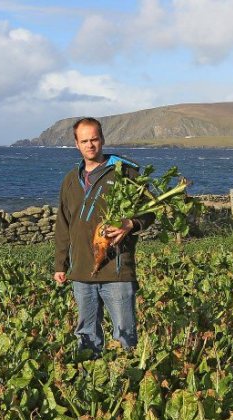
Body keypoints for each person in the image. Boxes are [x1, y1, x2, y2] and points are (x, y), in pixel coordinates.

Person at [53, 117, 154, 355]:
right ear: (76, 144)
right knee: (86, 335)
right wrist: (61, 264)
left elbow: (152, 210)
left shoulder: (125, 171)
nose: (90, 145)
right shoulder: (70, 180)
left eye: (94, 139)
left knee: (125, 335)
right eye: (84, 141)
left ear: (103, 140)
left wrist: (131, 223)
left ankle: (128, 382)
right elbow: (63, 225)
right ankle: (90, 379)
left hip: (117, 269)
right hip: (80, 271)